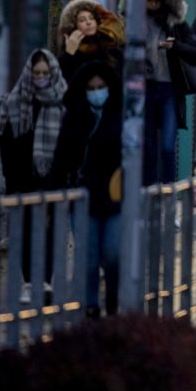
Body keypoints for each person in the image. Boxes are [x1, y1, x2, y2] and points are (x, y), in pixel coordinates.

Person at [49, 62, 123, 318]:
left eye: (101, 87)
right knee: (88, 256)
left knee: (113, 253)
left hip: (115, 197)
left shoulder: (121, 115)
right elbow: (62, 158)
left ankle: (113, 303)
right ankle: (90, 306)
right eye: (91, 88)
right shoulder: (75, 118)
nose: (96, 92)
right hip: (84, 197)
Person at [0, 49, 67, 302]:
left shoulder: (61, 103)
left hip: (50, 180)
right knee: (23, 231)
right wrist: (11, 177)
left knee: (48, 229)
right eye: (36, 73)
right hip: (20, 179)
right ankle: (29, 282)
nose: (40, 77)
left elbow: (66, 146)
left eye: (45, 73)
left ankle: (46, 281)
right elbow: (5, 142)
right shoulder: (12, 102)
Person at [143, 0, 196, 185]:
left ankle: (168, 193)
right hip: (145, 89)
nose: (152, 4)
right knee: (148, 147)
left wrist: (174, 46)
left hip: (169, 89)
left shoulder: (174, 22)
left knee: (168, 147)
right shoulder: (134, 23)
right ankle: (149, 195)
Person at [58, 0, 125, 80]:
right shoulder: (70, 54)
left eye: (92, 18)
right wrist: (69, 54)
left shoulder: (110, 48)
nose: (88, 22)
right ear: (74, 26)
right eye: (82, 20)